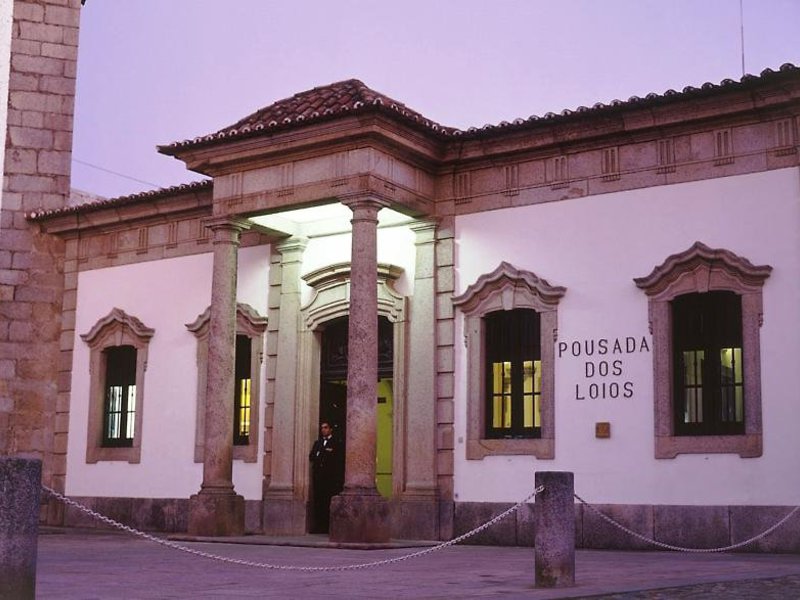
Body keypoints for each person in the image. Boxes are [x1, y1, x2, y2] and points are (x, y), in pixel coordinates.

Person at [308, 421, 343, 533]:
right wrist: (323, 452)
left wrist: (321, 453)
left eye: (326, 427)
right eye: (322, 428)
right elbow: (312, 456)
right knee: (318, 501)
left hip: (330, 478)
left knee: (328, 501)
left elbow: (336, 458)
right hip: (318, 478)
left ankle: (329, 527)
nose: (323, 430)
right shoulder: (317, 443)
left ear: (331, 429)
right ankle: (319, 526)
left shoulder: (336, 442)